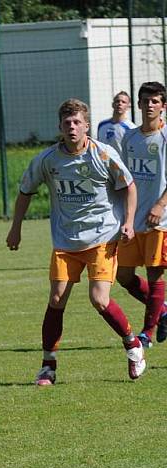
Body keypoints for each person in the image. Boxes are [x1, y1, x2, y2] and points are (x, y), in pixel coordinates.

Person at [6, 98, 146, 385]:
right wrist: (15, 228)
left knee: (98, 299)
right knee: (56, 299)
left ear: (86, 126)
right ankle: (48, 367)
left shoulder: (102, 155)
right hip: (66, 240)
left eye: (77, 122)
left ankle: (133, 345)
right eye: (67, 122)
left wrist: (129, 222)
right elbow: (24, 191)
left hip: (102, 237)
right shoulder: (47, 160)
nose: (72, 127)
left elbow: (129, 186)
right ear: (60, 127)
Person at [116, 81, 167, 349]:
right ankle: (164, 310)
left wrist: (160, 205)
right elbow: (124, 178)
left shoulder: (165, 138)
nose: (149, 105)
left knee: (154, 274)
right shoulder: (130, 138)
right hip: (133, 219)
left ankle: (148, 332)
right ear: (138, 104)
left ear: (163, 106)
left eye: (155, 101)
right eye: (145, 101)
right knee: (123, 276)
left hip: (160, 220)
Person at [97, 91, 136, 157]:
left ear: (128, 106)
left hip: (121, 165)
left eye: (123, 102)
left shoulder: (131, 128)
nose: (120, 103)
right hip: (103, 165)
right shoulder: (102, 125)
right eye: (117, 101)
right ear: (113, 104)